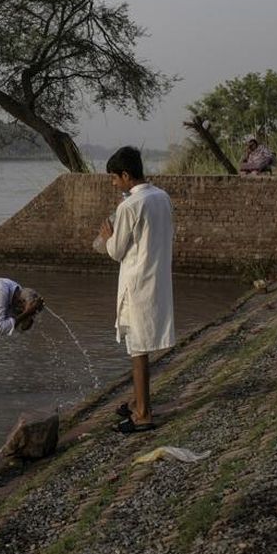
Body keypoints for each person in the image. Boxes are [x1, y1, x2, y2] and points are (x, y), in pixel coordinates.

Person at [96, 146, 175, 433]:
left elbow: (116, 252)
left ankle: (143, 413)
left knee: (138, 349)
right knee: (142, 343)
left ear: (126, 175)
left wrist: (107, 237)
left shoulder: (128, 206)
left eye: (115, 179)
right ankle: (136, 401)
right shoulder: (161, 197)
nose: (114, 185)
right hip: (157, 276)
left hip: (137, 281)